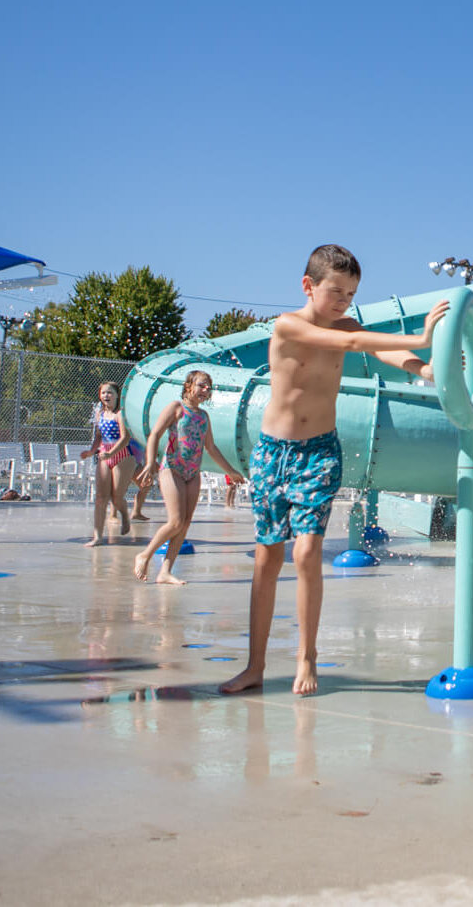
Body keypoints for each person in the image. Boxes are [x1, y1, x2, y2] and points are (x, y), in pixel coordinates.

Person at [220, 244, 447, 697]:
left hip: (320, 451)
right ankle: (255, 665)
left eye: (352, 293)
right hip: (272, 454)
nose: (345, 301)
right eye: (337, 292)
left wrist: (423, 368)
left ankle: (307, 655)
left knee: (305, 554)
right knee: (268, 558)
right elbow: (352, 343)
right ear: (308, 286)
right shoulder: (288, 326)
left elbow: (378, 353)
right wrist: (420, 338)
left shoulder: (347, 323)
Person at [134, 370, 245, 584]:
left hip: (193, 473)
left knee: (184, 524)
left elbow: (210, 448)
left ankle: (165, 571)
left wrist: (230, 471)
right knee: (175, 521)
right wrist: (150, 463)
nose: (206, 390)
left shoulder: (203, 417)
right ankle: (145, 555)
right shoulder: (177, 408)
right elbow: (155, 434)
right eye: (202, 385)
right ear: (189, 386)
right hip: (172, 469)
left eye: (208, 387)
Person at [81, 382, 136, 546]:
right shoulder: (100, 414)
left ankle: (125, 515)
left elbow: (125, 438)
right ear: (100, 395)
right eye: (104, 393)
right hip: (104, 454)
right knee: (100, 498)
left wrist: (112, 453)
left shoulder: (121, 414)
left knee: (116, 497)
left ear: (117, 395)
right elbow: (98, 436)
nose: (106, 396)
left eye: (110, 393)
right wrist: (91, 451)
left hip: (122, 455)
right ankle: (97, 536)